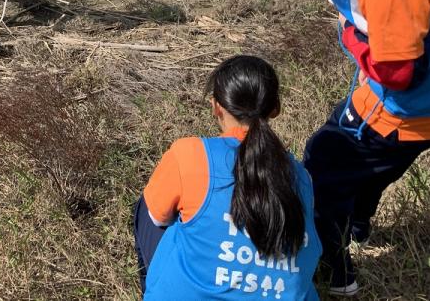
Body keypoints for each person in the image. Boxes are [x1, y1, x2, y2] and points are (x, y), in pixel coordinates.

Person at [266, 0, 430, 296]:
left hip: (398, 113)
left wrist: (351, 32)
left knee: (322, 171)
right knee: (374, 170)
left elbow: (397, 73)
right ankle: (358, 223)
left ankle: (337, 275)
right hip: (426, 114)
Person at [135, 55, 321, 300]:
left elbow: (155, 218)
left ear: (216, 106)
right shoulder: (301, 176)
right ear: (275, 109)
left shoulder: (191, 155)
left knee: (148, 208)